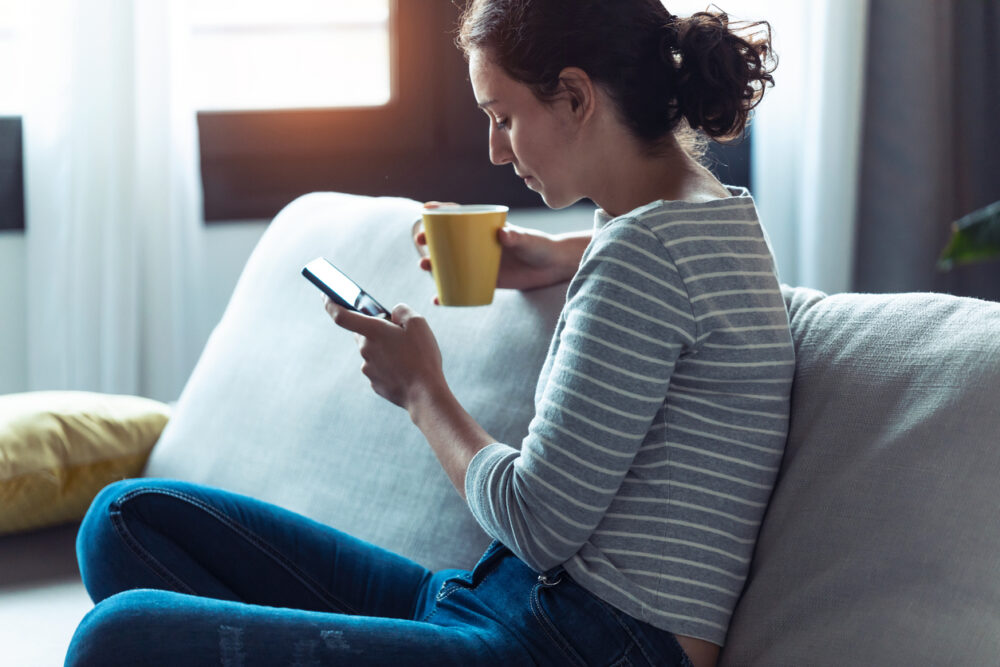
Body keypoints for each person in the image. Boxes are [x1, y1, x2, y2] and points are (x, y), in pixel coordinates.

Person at [65, 1, 790, 665]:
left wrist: (421, 389)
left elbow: (535, 522)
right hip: (495, 603)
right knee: (124, 518)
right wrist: (565, 253)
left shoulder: (640, 259)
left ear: (575, 96)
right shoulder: (721, 220)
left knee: (112, 640)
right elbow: (674, 287)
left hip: (568, 646)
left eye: (502, 117)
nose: (497, 152)